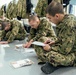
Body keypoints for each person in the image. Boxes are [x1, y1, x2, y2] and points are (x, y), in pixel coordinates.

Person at [40, 1, 76, 74]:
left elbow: (65, 50)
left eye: (50, 18)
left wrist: (50, 48)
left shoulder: (68, 24)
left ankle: (55, 63)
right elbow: (62, 39)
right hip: (69, 48)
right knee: (42, 44)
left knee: (51, 56)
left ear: (57, 16)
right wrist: (54, 42)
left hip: (73, 53)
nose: (49, 21)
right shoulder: (62, 21)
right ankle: (54, 63)